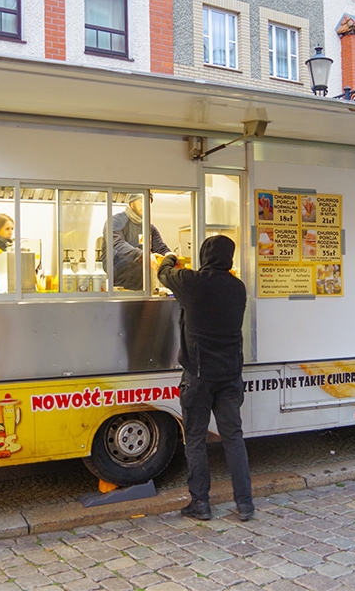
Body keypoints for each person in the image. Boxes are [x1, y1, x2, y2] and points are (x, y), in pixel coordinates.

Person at [157, 236, 254, 521]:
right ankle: (245, 503)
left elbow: (163, 274)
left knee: (196, 440)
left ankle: (200, 503)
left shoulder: (192, 282)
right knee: (233, 437)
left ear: (204, 255)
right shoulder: (238, 288)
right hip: (229, 376)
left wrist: (170, 257)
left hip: (198, 376)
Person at [102, 193, 170, 290]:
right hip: (119, 286)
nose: (146, 205)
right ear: (131, 203)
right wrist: (144, 256)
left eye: (149, 202)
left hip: (143, 286)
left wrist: (169, 255)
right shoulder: (116, 221)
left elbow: (159, 247)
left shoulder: (149, 227)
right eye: (141, 201)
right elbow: (117, 244)